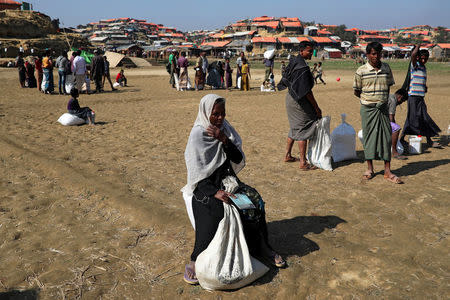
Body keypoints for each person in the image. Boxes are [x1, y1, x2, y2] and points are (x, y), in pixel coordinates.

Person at [182, 94, 285, 285]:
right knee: (214, 209)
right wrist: (215, 192)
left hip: (228, 182)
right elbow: (196, 173)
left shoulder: (225, 130)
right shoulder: (198, 135)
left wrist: (224, 140)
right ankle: (196, 258)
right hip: (206, 187)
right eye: (215, 114)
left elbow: (237, 159)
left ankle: (262, 247)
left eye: (222, 114)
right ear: (206, 113)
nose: (220, 118)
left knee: (254, 201)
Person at [353, 42, 403, 184]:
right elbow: (357, 91)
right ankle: (370, 169)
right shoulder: (361, 71)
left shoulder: (386, 68)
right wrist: (369, 101)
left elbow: (388, 87)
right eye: (373, 54)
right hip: (368, 109)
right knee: (369, 138)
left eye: (379, 53)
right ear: (367, 55)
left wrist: (383, 101)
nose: (376, 56)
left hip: (383, 109)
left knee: (386, 138)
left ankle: (387, 171)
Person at [277, 41, 322, 170]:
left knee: (295, 127)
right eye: (309, 51)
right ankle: (303, 162)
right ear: (301, 51)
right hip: (298, 100)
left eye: (312, 51)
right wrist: (316, 107)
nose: (311, 53)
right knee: (303, 128)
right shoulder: (302, 67)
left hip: (291, 97)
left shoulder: (294, 61)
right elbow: (306, 91)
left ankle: (288, 155)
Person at [400, 44, 441, 149]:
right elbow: (413, 55)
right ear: (418, 58)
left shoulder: (424, 68)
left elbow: (422, 80)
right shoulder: (415, 65)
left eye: (426, 59)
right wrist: (418, 45)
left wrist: (424, 87)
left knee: (424, 117)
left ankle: (429, 141)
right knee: (411, 118)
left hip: (420, 97)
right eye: (422, 58)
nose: (423, 60)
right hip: (413, 97)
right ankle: (401, 139)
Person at [388, 89, 408, 159]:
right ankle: (394, 152)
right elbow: (391, 117)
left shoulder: (390, 96)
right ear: (400, 97)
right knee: (396, 128)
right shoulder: (393, 101)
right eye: (402, 101)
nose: (401, 103)